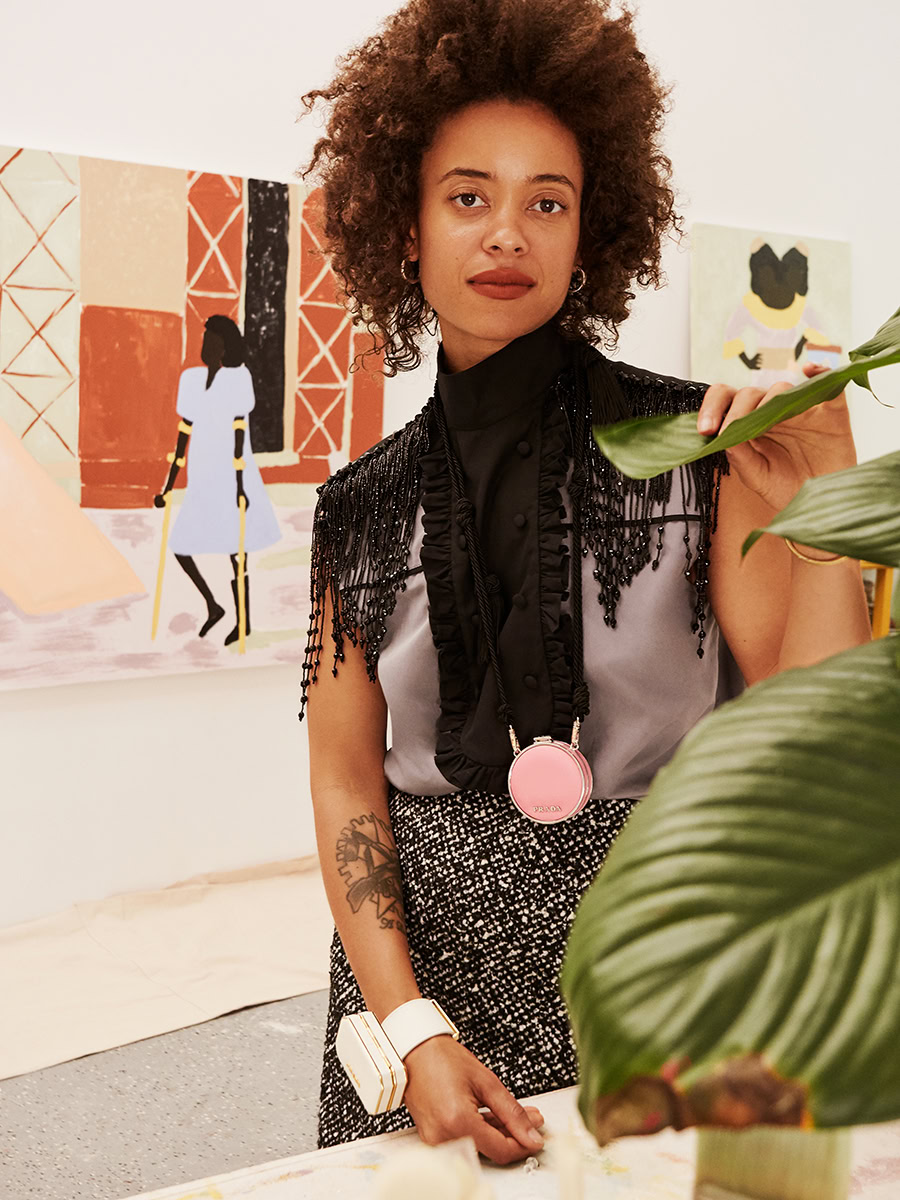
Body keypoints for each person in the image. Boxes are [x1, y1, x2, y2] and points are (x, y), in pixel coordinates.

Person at [296, 0, 871, 1165]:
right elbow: (350, 780)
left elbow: (816, 738)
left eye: (545, 202)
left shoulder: (698, 451)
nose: (507, 233)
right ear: (404, 227)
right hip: (432, 997)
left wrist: (829, 504)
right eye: (469, 196)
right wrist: (412, 1029)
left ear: (587, 232)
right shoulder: (358, 509)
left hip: (667, 973)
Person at [154, 315, 281, 644]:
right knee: (181, 547)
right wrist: (168, 485)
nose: (205, 346)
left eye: (212, 341)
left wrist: (240, 486)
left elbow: (240, 433)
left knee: (236, 553)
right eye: (204, 340)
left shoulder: (239, 379)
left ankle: (244, 622)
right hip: (202, 477)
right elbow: (184, 434)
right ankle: (213, 605)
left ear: (225, 346)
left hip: (231, 476)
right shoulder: (192, 380)